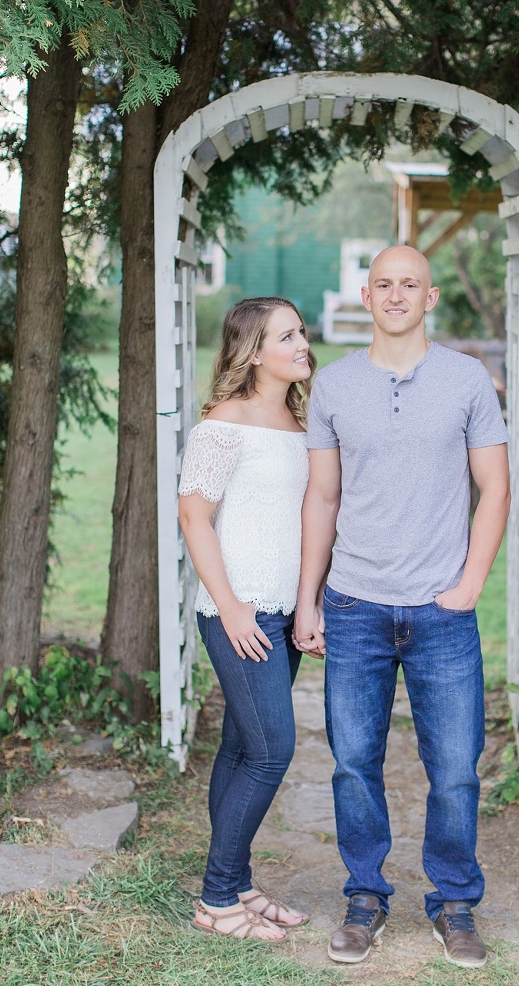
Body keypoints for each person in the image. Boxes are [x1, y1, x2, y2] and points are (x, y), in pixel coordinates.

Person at [294, 245, 510, 969]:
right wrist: (309, 598)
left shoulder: (467, 378)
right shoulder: (334, 385)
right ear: (366, 292)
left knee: (454, 766)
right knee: (354, 762)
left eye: (408, 284)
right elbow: (322, 496)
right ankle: (365, 896)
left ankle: (455, 902)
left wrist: (472, 580)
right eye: (383, 283)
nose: (395, 294)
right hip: (355, 602)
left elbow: (496, 487)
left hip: (442, 610)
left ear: (430, 296)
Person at [178, 296, 316, 943]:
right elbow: (193, 517)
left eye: (301, 331)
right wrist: (232, 606)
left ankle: (239, 886)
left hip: (282, 611)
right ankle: (215, 897)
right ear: (254, 351)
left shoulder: (297, 419)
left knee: (240, 748)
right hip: (238, 611)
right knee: (271, 750)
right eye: (286, 334)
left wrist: (305, 603)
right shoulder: (222, 424)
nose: (302, 342)